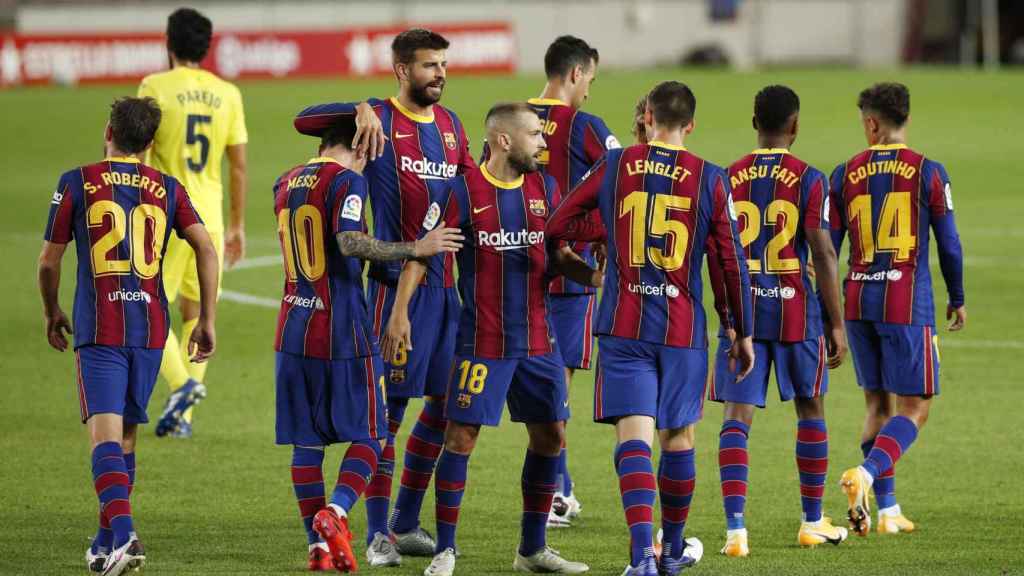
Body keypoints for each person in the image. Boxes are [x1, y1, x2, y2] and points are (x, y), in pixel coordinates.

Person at [547, 81, 755, 576]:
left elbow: (559, 222)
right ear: (691, 124)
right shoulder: (710, 177)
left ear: (648, 117)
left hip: (623, 323)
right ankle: (673, 549)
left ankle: (642, 555)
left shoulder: (616, 166)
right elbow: (730, 261)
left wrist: (606, 231)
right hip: (682, 331)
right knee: (677, 438)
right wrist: (739, 330)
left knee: (633, 438)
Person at [382, 102, 595, 576]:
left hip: (539, 340)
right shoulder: (462, 191)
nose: (543, 143)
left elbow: (558, 253)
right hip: (483, 339)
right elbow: (421, 254)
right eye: (535, 135)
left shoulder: (546, 188)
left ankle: (532, 550)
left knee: (551, 437)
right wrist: (400, 314)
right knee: (460, 438)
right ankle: (447, 550)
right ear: (504, 140)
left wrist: (593, 274)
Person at [293, 28, 476, 563]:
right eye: (428, 66)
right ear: (402, 71)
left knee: (444, 409)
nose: (439, 73)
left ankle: (404, 519)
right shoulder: (376, 119)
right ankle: (376, 537)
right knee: (386, 415)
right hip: (393, 291)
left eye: (443, 64)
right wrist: (357, 107)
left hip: (445, 294)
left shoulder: (450, 127)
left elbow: (463, 197)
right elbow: (306, 118)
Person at [272, 116, 463, 571]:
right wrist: (415, 248)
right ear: (358, 145)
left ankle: (317, 548)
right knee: (374, 433)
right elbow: (350, 241)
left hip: (292, 325)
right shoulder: (347, 181)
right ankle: (335, 513)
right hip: (341, 329)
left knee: (308, 442)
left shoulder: (285, 181)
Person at [38, 96, 217, 575]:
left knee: (104, 439)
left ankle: (125, 535)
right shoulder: (169, 187)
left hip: (101, 329)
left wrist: (52, 310)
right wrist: (207, 318)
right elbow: (205, 247)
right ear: (152, 144)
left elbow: (48, 262)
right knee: (128, 438)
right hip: (152, 330)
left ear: (108, 131)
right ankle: (104, 542)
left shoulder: (76, 182)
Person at [705, 85, 849, 557]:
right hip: (794, 313)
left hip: (744, 315)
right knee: (810, 410)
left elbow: (719, 252)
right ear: (795, 125)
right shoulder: (810, 178)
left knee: (735, 418)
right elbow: (824, 252)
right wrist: (837, 322)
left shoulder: (727, 177)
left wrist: (727, 316)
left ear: (754, 122)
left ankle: (735, 533)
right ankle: (812, 520)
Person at [830, 82, 965, 537]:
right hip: (907, 303)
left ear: (871, 123)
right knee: (916, 407)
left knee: (877, 403)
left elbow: (827, 251)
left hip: (856, 299)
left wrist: (828, 315)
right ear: (904, 117)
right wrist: (958, 296)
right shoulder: (929, 171)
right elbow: (948, 244)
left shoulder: (844, 173)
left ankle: (887, 510)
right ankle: (866, 477)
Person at [138, 7, 248, 438]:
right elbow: (237, 166)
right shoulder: (228, 93)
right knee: (199, 310)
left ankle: (181, 386)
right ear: (207, 46)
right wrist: (237, 225)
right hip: (210, 218)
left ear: (168, 42)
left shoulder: (154, 86)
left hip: (165, 216)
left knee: (150, 308)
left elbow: (140, 153)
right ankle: (183, 415)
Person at [527, 35, 620, 525]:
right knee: (555, 384)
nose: (589, 91)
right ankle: (552, 494)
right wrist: (600, 234)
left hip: (517, 272)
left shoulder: (507, 121)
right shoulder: (585, 126)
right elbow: (623, 180)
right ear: (576, 74)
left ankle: (558, 485)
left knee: (538, 381)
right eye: (590, 80)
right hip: (567, 275)